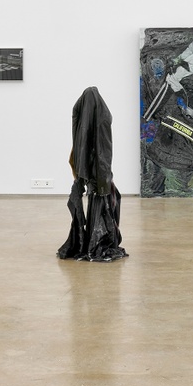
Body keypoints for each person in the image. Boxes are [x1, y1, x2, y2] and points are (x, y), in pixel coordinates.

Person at [57, 86, 127, 262]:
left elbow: (99, 146)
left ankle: (92, 241)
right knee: (103, 200)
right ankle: (94, 242)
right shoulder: (97, 115)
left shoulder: (93, 116)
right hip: (96, 170)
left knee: (106, 199)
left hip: (95, 169)